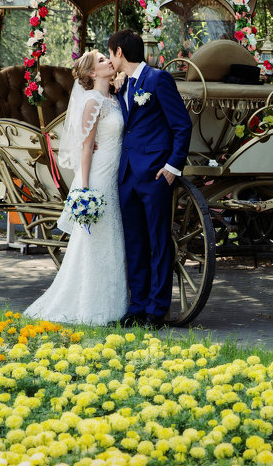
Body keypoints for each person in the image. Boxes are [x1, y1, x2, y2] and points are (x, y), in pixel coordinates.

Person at [24, 50, 128, 325]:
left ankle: (116, 303)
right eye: (103, 61)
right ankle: (90, 304)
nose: (109, 62)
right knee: (97, 237)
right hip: (99, 176)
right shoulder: (93, 102)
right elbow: (86, 146)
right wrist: (83, 187)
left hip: (116, 171)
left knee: (112, 236)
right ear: (93, 73)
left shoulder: (114, 99)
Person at [109, 29, 193, 327]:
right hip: (128, 174)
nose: (109, 59)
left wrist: (172, 167)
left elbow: (182, 125)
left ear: (119, 52)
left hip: (156, 174)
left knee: (159, 242)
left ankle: (157, 310)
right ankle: (138, 306)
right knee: (135, 242)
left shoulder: (158, 79)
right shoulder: (124, 87)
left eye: (110, 53)